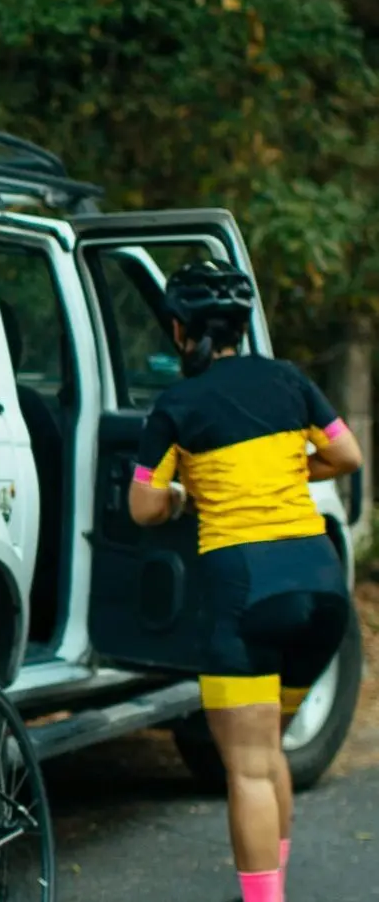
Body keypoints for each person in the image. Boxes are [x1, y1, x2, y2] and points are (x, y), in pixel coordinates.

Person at [126, 259, 360, 902]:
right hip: (321, 587)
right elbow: (347, 455)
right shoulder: (290, 379)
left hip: (247, 590)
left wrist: (183, 493)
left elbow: (142, 508)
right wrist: (285, 476)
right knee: (271, 750)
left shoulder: (177, 403)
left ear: (181, 330)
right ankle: (272, 883)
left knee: (249, 767)